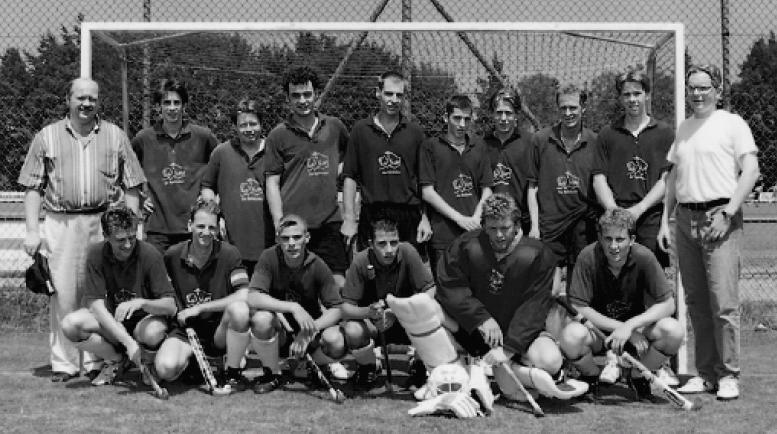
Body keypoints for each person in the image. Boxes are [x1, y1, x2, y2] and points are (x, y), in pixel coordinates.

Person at [18, 77, 146, 382]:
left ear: (99, 101)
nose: (86, 103)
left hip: (102, 222)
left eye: (92, 98)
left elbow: (133, 185)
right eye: (80, 98)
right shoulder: (47, 136)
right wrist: (33, 230)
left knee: (98, 293)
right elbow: (32, 188)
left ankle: (96, 360)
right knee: (62, 293)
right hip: (61, 221)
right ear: (68, 99)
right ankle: (64, 363)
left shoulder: (115, 136)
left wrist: (129, 227)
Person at [658, 64, 760, 401]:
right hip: (685, 220)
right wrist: (665, 221)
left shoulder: (732, 124)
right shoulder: (685, 128)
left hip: (719, 217)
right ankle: (706, 374)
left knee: (723, 303)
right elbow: (673, 179)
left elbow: (751, 171)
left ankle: (728, 374)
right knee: (697, 303)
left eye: (703, 87)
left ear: (717, 89)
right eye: (692, 88)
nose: (697, 93)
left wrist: (728, 212)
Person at [435, 193, 587, 400]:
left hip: (518, 335)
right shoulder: (466, 245)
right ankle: (466, 371)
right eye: (492, 228)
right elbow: (451, 286)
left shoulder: (537, 254)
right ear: (483, 225)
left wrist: (508, 349)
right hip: (476, 330)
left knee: (550, 361)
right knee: (427, 308)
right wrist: (481, 318)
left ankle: (527, 370)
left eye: (505, 228)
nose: (499, 235)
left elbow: (534, 306)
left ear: (516, 224)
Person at [558, 208, 684, 399]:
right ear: (600, 238)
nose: (613, 246)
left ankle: (638, 376)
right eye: (608, 239)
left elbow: (668, 305)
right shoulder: (587, 256)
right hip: (598, 333)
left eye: (620, 239)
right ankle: (592, 377)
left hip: (638, 334)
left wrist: (630, 327)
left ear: (632, 240)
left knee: (673, 331)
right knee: (570, 336)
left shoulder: (645, 257)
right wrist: (621, 328)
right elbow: (578, 307)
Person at [61, 206, 177, 386]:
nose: (128, 245)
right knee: (70, 324)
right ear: (105, 236)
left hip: (144, 323)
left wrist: (142, 303)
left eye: (132, 237)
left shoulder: (150, 254)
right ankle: (116, 360)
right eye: (121, 240)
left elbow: (170, 306)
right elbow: (95, 306)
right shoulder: (96, 254)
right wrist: (128, 343)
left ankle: (148, 363)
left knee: (153, 331)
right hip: (115, 323)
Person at [154, 199, 253, 393]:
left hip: (219, 331)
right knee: (165, 369)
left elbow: (244, 294)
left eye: (211, 227)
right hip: (185, 331)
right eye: (200, 226)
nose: (206, 232)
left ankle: (232, 371)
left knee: (240, 310)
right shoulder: (172, 255)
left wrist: (200, 308)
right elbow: (163, 293)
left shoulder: (230, 254)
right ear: (189, 225)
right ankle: (193, 363)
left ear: (218, 229)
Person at [265, 66, 350, 287]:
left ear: (316, 94)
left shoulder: (335, 127)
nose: (302, 100)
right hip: (295, 225)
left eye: (307, 94)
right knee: (299, 285)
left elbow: (349, 161)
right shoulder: (278, 135)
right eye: (296, 95)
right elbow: (272, 182)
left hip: (330, 220)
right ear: (287, 98)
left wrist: (335, 178)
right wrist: (279, 222)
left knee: (338, 283)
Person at [245, 214, 347, 394]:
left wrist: (310, 331)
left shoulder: (317, 264)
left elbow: (337, 309)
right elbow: (253, 297)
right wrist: (293, 307)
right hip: (280, 332)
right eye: (285, 238)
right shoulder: (268, 257)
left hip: (309, 333)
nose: (291, 243)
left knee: (336, 340)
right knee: (261, 319)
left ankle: (312, 366)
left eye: (297, 237)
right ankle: (272, 373)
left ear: (307, 238)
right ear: (278, 239)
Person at [341, 70, 432, 252]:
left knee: (408, 268)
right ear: (378, 93)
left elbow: (425, 181)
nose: (394, 100)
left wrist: (425, 218)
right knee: (371, 267)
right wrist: (349, 219)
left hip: (408, 215)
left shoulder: (415, 133)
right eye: (389, 94)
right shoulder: (361, 130)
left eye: (399, 95)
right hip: (373, 214)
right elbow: (350, 177)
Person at [339, 218, 435, 388]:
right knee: (352, 329)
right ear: (371, 244)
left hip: (406, 320)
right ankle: (369, 366)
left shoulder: (408, 252)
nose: (389, 250)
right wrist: (369, 312)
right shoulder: (361, 260)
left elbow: (430, 290)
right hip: (374, 324)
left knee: (431, 312)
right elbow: (345, 308)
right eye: (382, 244)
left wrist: (397, 311)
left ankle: (419, 365)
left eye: (394, 242)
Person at [593, 69, 674, 267]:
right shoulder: (607, 134)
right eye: (626, 94)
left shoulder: (664, 133)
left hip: (650, 216)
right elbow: (598, 178)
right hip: (615, 218)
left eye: (637, 93)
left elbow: (666, 180)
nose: (632, 99)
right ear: (620, 98)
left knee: (650, 276)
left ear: (647, 95)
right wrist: (614, 211)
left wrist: (639, 209)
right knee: (614, 275)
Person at [131, 78, 219, 254]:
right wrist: (139, 199)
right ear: (158, 106)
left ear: (184, 106)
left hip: (193, 226)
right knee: (156, 270)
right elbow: (127, 172)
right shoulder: (144, 139)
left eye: (176, 103)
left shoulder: (203, 137)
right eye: (167, 103)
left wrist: (214, 200)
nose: (172, 108)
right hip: (157, 228)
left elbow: (222, 168)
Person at [527, 84, 600, 291]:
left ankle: (576, 313)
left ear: (583, 108)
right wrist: (534, 226)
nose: (568, 113)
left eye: (573, 107)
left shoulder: (595, 141)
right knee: (550, 289)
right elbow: (532, 187)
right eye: (563, 108)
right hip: (550, 225)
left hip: (582, 225)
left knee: (578, 288)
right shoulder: (540, 140)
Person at [420, 94, 493, 274]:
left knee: (475, 285)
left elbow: (487, 189)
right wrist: (459, 219)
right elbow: (427, 192)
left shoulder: (479, 147)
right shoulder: (431, 147)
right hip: (443, 235)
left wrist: (475, 218)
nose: (462, 124)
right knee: (445, 286)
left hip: (474, 232)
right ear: (446, 118)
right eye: (457, 118)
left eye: (467, 119)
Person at [201, 98, 271, 276]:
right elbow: (207, 187)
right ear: (235, 127)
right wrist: (214, 214)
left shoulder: (274, 152)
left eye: (253, 124)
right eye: (243, 125)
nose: (249, 129)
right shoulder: (221, 153)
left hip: (269, 244)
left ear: (262, 124)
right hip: (232, 244)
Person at [484, 88, 535, 234]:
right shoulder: (482, 144)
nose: (503, 118)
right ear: (492, 114)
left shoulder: (530, 142)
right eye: (499, 112)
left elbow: (534, 186)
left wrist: (534, 224)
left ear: (516, 115)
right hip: (492, 222)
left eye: (508, 113)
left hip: (521, 221)